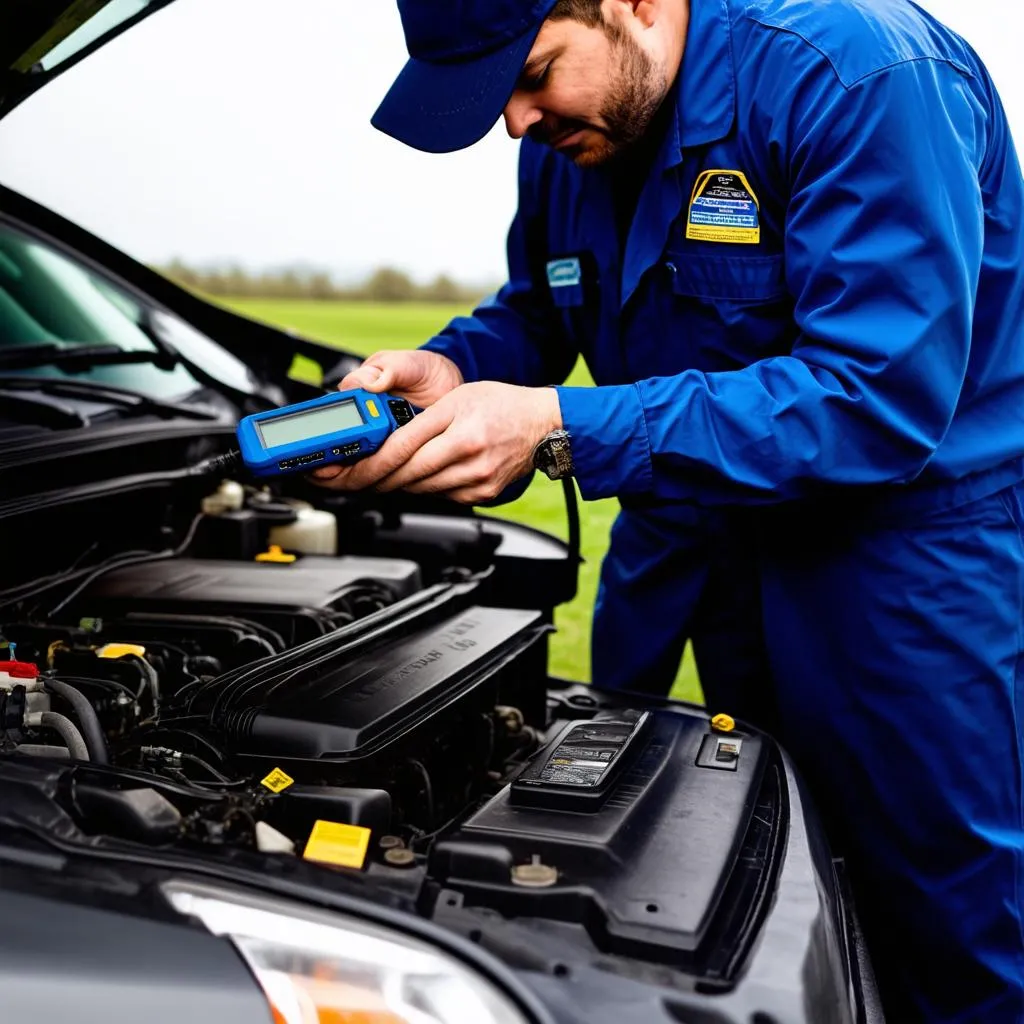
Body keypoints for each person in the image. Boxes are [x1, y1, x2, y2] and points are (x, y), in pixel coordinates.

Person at [311, 0, 1024, 1018]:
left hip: (899, 571)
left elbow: (876, 398)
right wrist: (455, 365)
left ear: (636, 6)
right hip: (697, 541)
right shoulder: (573, 134)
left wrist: (560, 424)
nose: (516, 121)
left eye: (533, 73)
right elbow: (544, 303)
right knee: (761, 887)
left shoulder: (852, 74)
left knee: (943, 921)